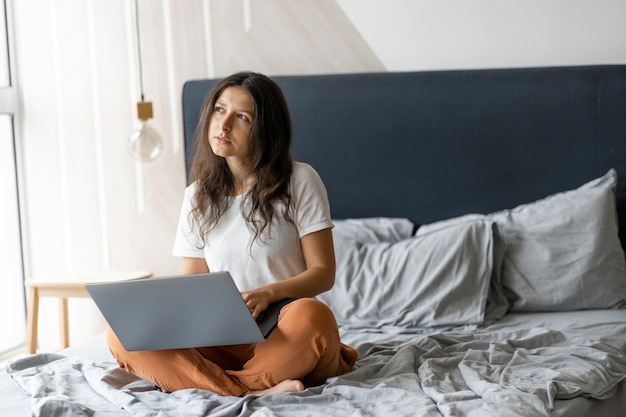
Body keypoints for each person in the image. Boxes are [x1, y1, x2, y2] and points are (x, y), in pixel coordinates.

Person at [106, 71, 357, 396]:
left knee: (315, 317)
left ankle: (217, 386)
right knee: (120, 332)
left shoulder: (300, 180)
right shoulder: (197, 195)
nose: (223, 125)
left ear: (265, 129)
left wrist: (269, 293)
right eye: (219, 110)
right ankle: (253, 391)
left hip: (284, 331)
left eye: (242, 117)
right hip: (221, 338)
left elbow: (323, 273)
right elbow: (193, 283)